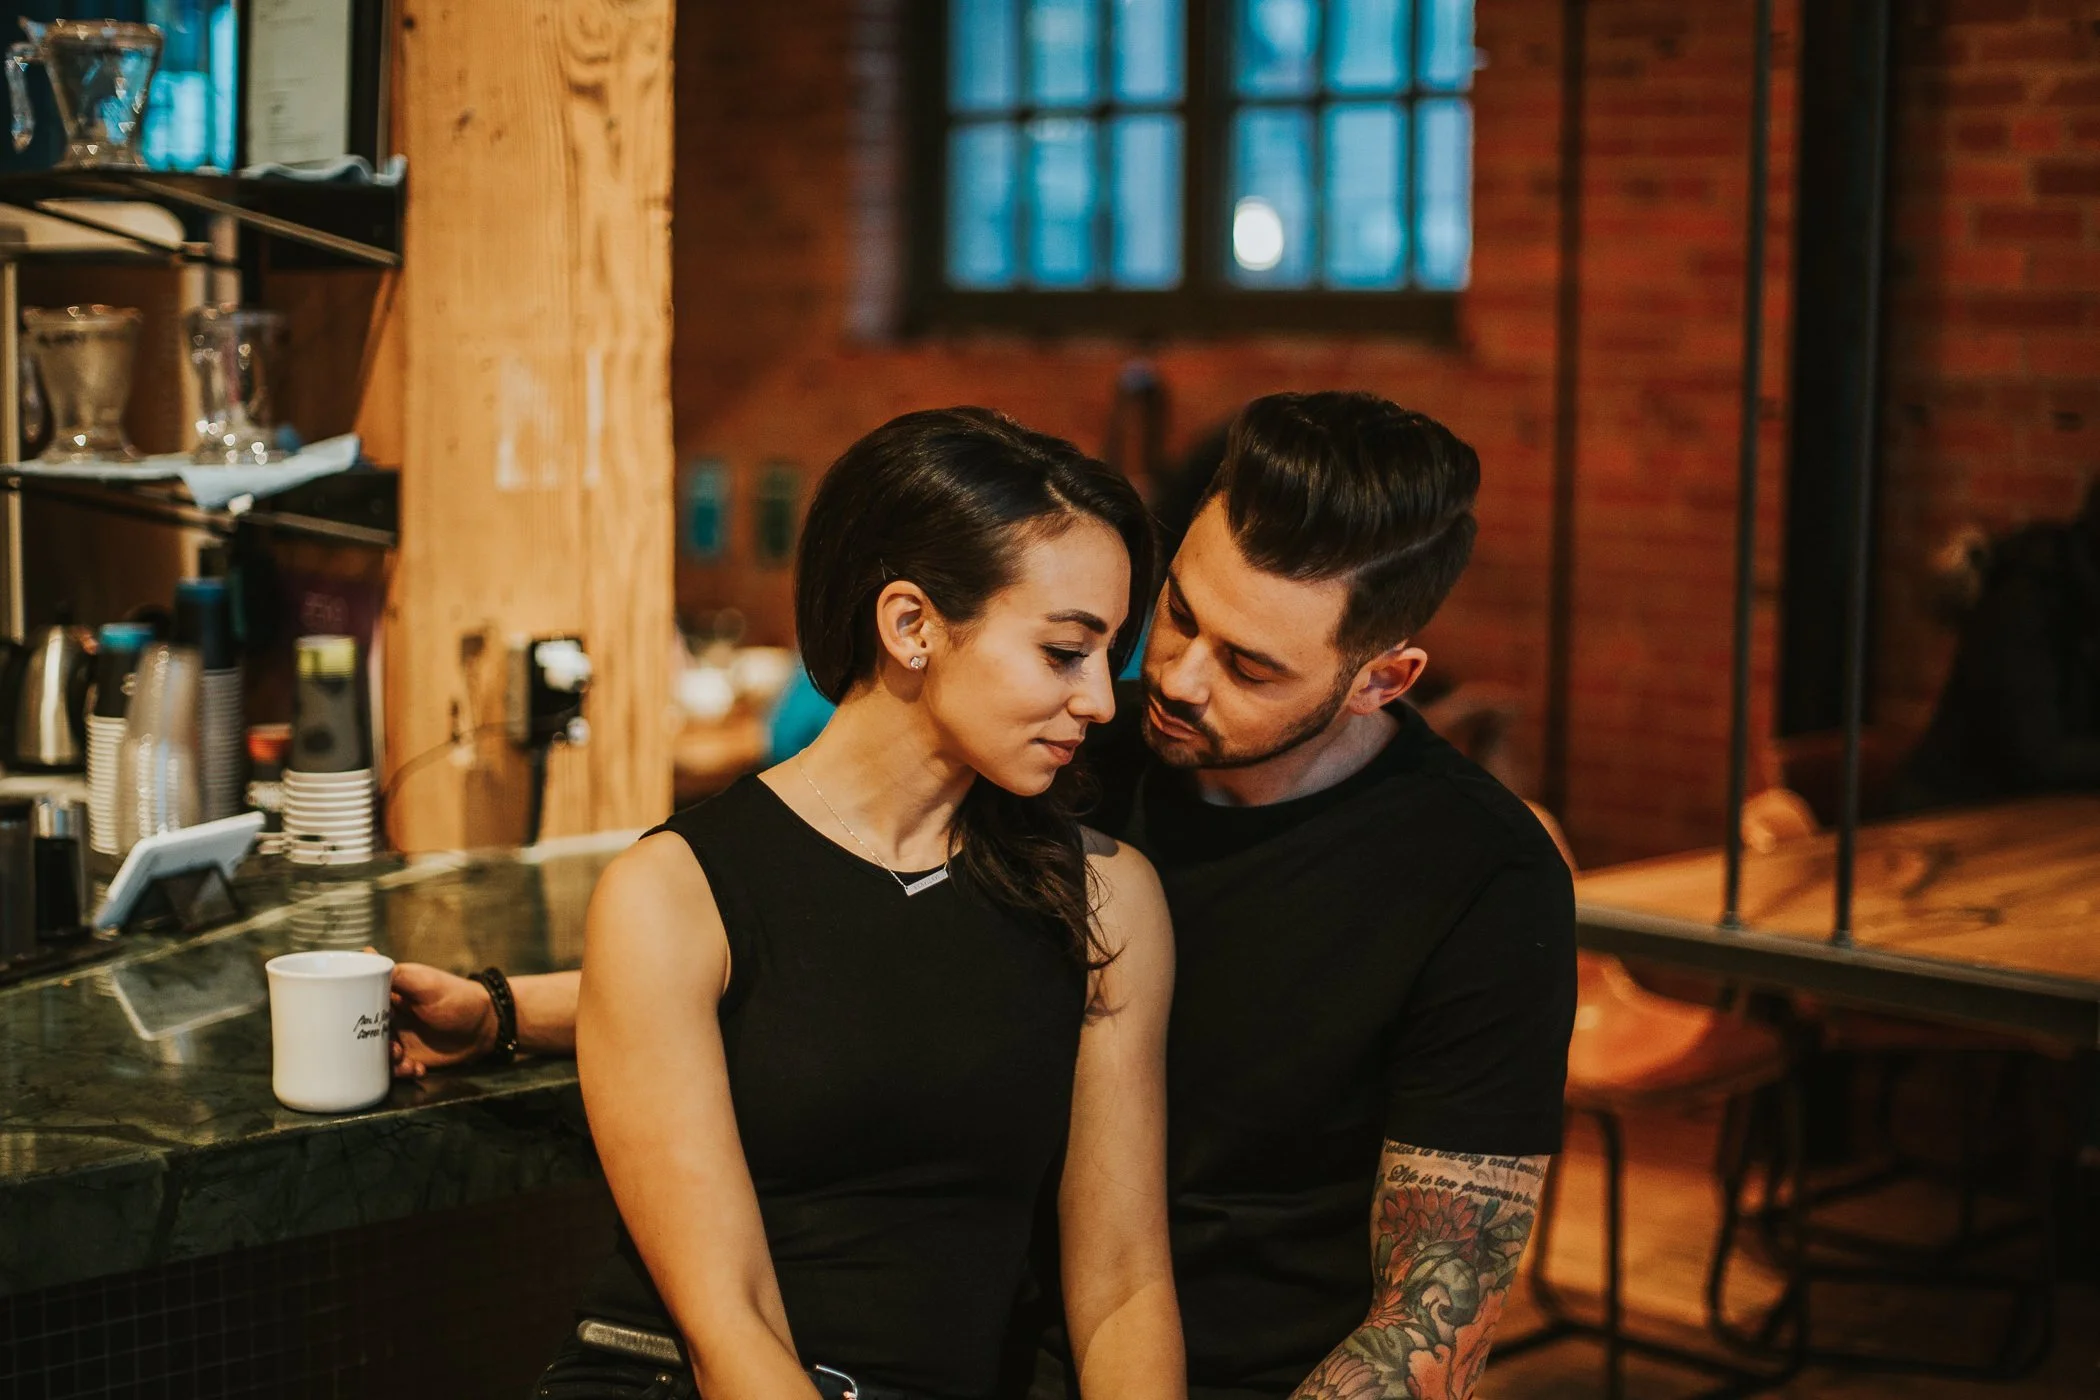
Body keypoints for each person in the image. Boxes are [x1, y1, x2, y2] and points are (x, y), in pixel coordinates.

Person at [397, 392, 1575, 1400]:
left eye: (1252, 664)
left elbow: (1441, 1301)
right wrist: (517, 1007)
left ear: (1383, 678)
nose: (1165, 679)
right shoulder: (1071, 754)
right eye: (1177, 613)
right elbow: (828, 945)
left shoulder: (1477, 875)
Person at [518, 408, 1183, 1400]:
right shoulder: (673, 892)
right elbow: (728, 1324)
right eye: (1063, 651)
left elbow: (1125, 1285)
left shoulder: (1104, 897)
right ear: (911, 624)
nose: (1098, 699)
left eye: (1108, 655)